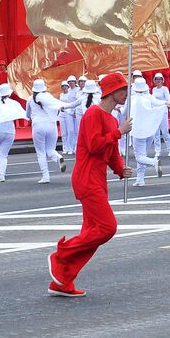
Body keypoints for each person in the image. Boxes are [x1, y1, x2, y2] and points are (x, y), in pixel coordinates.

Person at [48, 72, 133, 297]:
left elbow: (112, 153)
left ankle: (62, 281)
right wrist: (118, 132)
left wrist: (120, 169)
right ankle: (62, 254)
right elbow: (95, 146)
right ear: (112, 92)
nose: (126, 94)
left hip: (97, 180)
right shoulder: (93, 114)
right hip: (86, 179)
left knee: (92, 235)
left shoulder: (113, 119)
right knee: (107, 228)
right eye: (123, 90)